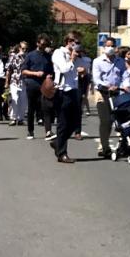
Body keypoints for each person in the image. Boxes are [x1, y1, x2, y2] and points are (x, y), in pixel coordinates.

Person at [50, 32, 82, 163]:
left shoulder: (75, 55)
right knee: (63, 123)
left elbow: (79, 70)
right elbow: (64, 69)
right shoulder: (59, 53)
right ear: (68, 41)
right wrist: (72, 59)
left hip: (73, 90)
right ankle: (62, 153)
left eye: (78, 42)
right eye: (74, 42)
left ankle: (58, 142)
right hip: (62, 91)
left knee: (74, 122)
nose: (76, 45)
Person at [92, 37, 127, 159]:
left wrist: (124, 85)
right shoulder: (98, 61)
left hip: (117, 93)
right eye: (108, 45)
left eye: (112, 45)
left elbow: (124, 76)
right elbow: (96, 79)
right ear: (104, 47)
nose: (110, 48)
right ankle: (105, 147)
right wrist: (107, 86)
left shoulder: (120, 61)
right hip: (102, 93)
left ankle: (122, 146)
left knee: (115, 121)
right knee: (105, 120)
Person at [20, 35, 54, 140]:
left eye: (46, 45)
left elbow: (51, 70)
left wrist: (49, 75)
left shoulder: (48, 56)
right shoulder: (30, 55)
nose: (44, 46)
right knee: (31, 108)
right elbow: (23, 71)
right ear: (37, 43)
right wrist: (35, 73)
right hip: (32, 84)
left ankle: (48, 131)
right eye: (42, 44)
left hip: (44, 85)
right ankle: (30, 131)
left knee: (46, 108)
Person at [8, 42, 29, 125]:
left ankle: (20, 118)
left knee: (23, 100)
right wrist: (6, 81)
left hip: (24, 81)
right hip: (14, 80)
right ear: (19, 48)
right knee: (15, 99)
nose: (25, 50)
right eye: (23, 48)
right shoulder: (13, 56)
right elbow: (9, 69)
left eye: (26, 49)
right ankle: (13, 118)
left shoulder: (28, 57)